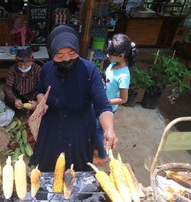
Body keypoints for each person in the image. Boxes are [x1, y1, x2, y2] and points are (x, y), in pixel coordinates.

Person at [29, 25, 119, 172]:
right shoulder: (46, 69)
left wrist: (109, 129)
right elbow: (39, 91)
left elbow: (102, 106)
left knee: (76, 168)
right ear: (52, 54)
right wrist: (41, 101)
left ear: (78, 50)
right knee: (49, 167)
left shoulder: (90, 70)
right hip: (51, 127)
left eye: (72, 54)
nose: (66, 59)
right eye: (59, 55)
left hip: (80, 128)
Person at [93, 34, 136, 165]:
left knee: (98, 132)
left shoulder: (124, 75)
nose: (107, 56)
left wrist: (105, 102)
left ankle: (102, 156)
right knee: (96, 128)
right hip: (101, 104)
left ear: (122, 55)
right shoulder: (113, 64)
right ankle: (97, 148)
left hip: (108, 108)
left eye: (111, 53)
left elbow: (123, 99)